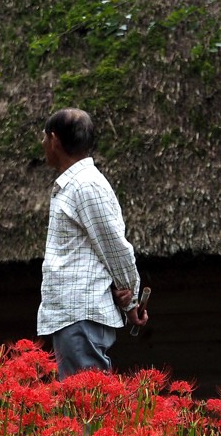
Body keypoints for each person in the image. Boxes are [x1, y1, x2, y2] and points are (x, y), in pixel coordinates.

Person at [38, 108, 148, 379]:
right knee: (77, 406)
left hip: (81, 314)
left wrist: (131, 299)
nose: (43, 145)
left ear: (54, 140)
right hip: (73, 314)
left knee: (85, 405)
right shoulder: (75, 184)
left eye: (44, 138)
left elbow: (114, 247)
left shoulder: (86, 185)